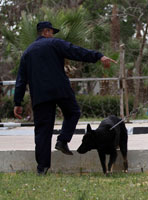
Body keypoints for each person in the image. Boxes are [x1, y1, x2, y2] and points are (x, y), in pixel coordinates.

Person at [13, 21, 117, 175]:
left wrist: (17, 102)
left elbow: (21, 80)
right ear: (46, 32)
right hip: (61, 90)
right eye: (52, 32)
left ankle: (42, 168)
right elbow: (76, 52)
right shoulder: (54, 43)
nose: (53, 35)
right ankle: (62, 140)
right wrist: (98, 56)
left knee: (42, 131)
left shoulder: (27, 53)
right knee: (73, 112)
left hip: (40, 95)